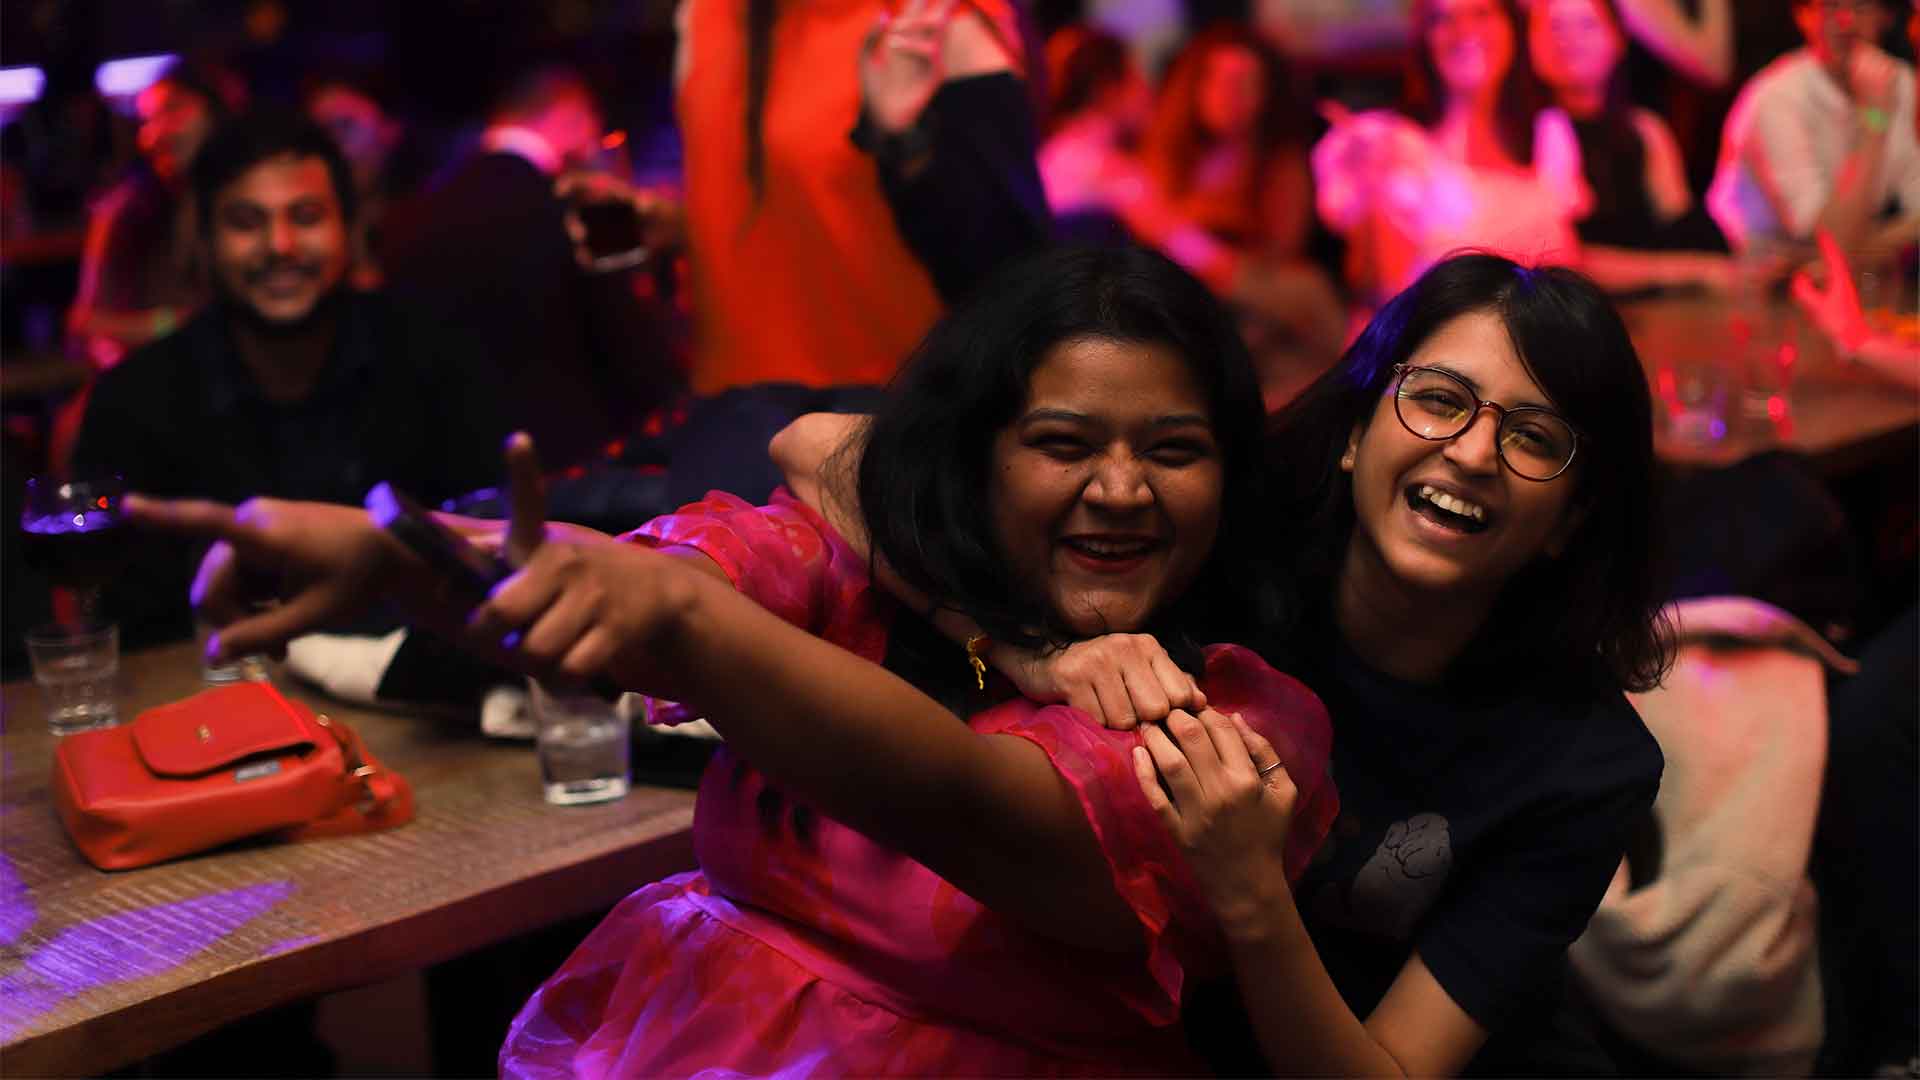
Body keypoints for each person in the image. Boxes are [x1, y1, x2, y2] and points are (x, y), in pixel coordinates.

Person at [127, 246, 1338, 1075]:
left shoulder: (1231, 724)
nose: (1120, 491)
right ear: (978, 455)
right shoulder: (865, 574)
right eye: (1063, 443)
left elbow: (955, 797)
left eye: (1173, 451)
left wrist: (671, 621)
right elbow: (675, 572)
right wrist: (411, 558)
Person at [774, 252, 1672, 1073]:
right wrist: (1027, 652)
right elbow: (816, 449)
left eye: (1534, 438)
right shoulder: (1227, 537)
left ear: (1573, 520)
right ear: (1358, 429)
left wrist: (1250, 891)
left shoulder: (1586, 764)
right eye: (1437, 399)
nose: (1473, 453)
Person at [70, 109, 504, 648]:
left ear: (347, 228)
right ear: (205, 240)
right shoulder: (134, 401)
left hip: (419, 688)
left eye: (305, 215)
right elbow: (122, 622)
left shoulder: (433, 358)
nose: (280, 245)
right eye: (247, 222)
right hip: (213, 698)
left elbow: (489, 548)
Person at [660, 0, 1048, 393]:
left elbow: (1015, 279)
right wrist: (668, 222)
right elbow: (766, 205)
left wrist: (904, 144)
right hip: (724, 404)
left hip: (877, 412)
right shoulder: (705, 14)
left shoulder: (937, 19)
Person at [382, 64, 681, 471]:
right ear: (570, 115)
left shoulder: (407, 217)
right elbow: (643, 362)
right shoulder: (590, 209)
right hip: (578, 478)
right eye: (592, 123)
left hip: (447, 477)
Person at [1313, 0, 1589, 306]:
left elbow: (1569, 277)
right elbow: (1379, 293)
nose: (1464, 31)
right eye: (1444, 19)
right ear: (1426, 39)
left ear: (1511, 26)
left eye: (1481, 13)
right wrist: (1372, 189)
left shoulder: (1548, 137)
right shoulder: (1394, 143)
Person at [1529, 0, 1742, 293]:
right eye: (1555, 27)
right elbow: (1563, 258)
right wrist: (1691, 271)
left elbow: (1683, 230)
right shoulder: (1527, 135)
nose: (1569, 40)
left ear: (1618, 39)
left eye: (1587, 25)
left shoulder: (1645, 130)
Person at [1706, 0, 1920, 259]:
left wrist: (1872, 242)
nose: (1846, 22)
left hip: (1839, 264)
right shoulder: (1776, 96)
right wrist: (1874, 122)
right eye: (1831, 6)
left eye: (1861, 6)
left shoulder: (1902, 83)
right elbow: (1830, 241)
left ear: (1886, 17)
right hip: (1745, 273)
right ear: (1804, 16)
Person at [65, 60, 235, 370]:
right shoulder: (126, 208)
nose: (157, 133)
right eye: (148, 120)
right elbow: (85, 323)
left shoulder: (251, 199)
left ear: (215, 111)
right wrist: (169, 324)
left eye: (173, 110)